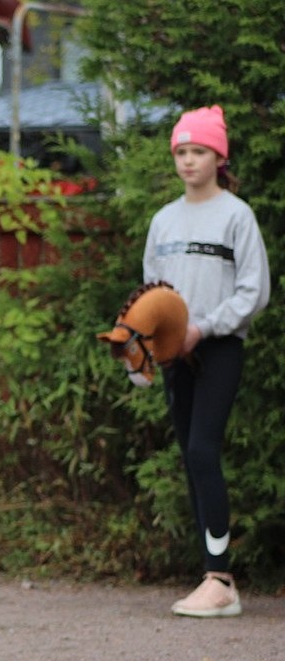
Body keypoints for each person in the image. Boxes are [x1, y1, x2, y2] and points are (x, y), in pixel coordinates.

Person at [143, 105, 270, 618]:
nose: (189, 160)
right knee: (191, 463)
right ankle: (210, 575)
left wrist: (204, 327)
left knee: (202, 451)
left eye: (198, 151)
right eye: (181, 151)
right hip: (176, 353)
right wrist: (149, 345)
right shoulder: (163, 220)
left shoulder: (236, 215)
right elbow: (152, 293)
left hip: (218, 348)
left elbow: (254, 291)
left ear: (219, 156)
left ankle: (221, 581)